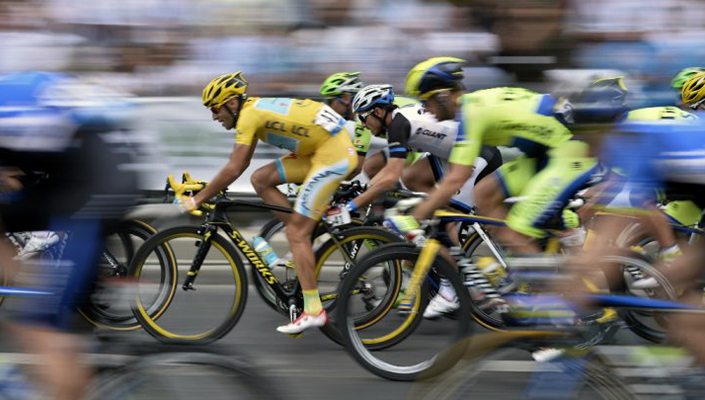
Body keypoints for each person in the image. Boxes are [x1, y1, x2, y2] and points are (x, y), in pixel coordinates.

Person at [183, 72, 357, 334]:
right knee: (261, 179)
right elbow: (241, 166)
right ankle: (302, 233)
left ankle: (313, 310)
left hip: (332, 155)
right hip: (323, 148)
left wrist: (198, 198)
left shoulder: (250, 115)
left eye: (216, 108)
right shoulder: (252, 110)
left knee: (295, 231)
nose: (214, 116)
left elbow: (234, 167)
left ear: (232, 103)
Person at [0, 71, 138, 400]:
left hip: (90, 191)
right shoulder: (11, 97)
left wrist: (27, 275)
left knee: (33, 323)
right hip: (91, 175)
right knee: (57, 329)